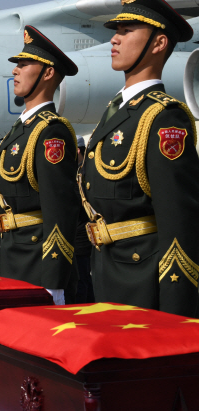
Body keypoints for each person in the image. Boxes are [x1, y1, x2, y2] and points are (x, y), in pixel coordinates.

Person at [80, 0, 199, 316]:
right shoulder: (117, 111)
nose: (114, 40)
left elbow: (180, 223)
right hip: (108, 271)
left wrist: (176, 310)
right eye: (115, 31)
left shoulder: (164, 118)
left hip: (144, 283)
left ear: (159, 43)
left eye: (126, 31)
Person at [0, 26, 80, 305]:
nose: (15, 71)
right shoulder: (21, 130)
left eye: (24, 64)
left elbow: (59, 211)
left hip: (38, 260)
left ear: (48, 73)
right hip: (13, 253)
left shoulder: (51, 131)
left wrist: (54, 281)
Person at [74, 136, 94, 303]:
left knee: (82, 278)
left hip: (82, 235)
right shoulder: (78, 170)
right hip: (79, 233)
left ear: (78, 150)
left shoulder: (83, 171)